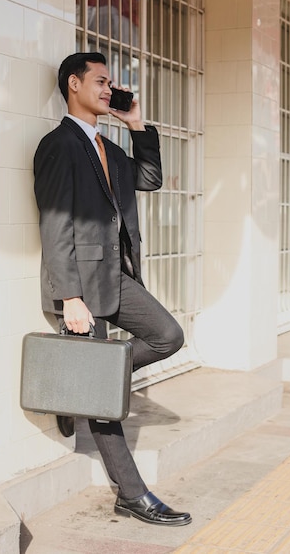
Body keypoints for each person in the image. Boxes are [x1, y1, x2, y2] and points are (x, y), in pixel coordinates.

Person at [33, 52, 191, 526]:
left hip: (117, 277)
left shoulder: (109, 148)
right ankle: (132, 493)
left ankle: (73, 392)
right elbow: (55, 222)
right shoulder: (58, 145)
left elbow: (150, 178)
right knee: (102, 391)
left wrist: (137, 123)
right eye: (101, 81)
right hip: (81, 283)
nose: (109, 89)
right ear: (74, 84)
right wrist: (69, 296)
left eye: (111, 84)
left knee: (168, 336)